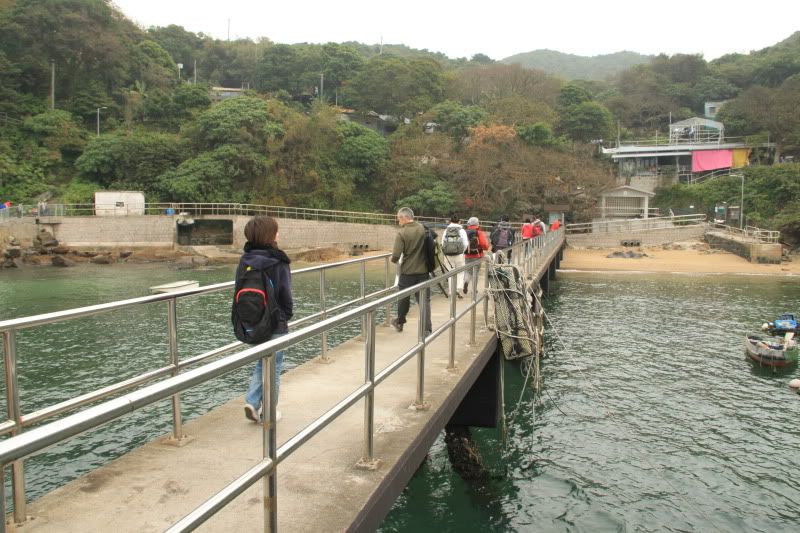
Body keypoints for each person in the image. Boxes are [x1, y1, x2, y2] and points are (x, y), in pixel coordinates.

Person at [240, 215, 294, 423]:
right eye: (276, 230)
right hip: (274, 321)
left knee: (262, 362)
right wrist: (285, 317)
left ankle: (252, 402)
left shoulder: (245, 259)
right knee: (274, 366)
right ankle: (268, 411)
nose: (278, 233)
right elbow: (285, 294)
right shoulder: (278, 260)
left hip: (251, 321)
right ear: (270, 235)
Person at [390, 207, 432, 335]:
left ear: (404, 218)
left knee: (403, 298)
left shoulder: (402, 233)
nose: (398, 222)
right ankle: (426, 329)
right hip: (424, 271)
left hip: (407, 272)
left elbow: (396, 256)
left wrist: (393, 259)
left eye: (399, 219)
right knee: (424, 301)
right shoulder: (423, 229)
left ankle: (400, 321)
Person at [440, 214, 469, 297]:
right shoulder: (462, 230)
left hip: (448, 255)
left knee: (450, 273)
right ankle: (458, 290)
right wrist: (461, 251)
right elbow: (465, 244)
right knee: (460, 272)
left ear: (450, 221)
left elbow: (442, 243)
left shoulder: (446, 230)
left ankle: (451, 291)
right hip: (459, 255)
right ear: (459, 221)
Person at [463, 216, 489, 294]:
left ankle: (466, 281)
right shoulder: (479, 232)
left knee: (468, 271)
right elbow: (484, 244)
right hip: (478, 255)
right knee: (475, 272)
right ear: (477, 224)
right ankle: (474, 289)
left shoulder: (465, 232)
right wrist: (486, 248)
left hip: (467, 255)